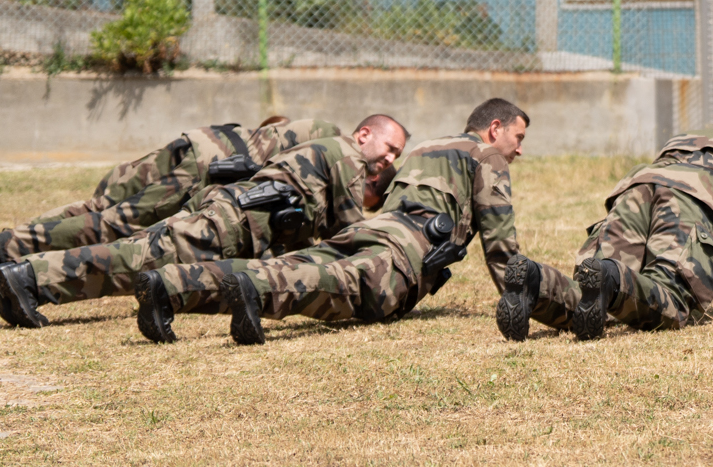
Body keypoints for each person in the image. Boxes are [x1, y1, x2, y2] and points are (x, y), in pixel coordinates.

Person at [133, 98, 529, 345]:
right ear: (495, 129)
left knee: (285, 265)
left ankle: (167, 285)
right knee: (335, 283)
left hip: (367, 230)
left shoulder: (427, 147)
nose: (520, 150)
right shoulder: (487, 157)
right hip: (398, 254)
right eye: (519, 137)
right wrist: (522, 299)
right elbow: (501, 249)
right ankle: (256, 286)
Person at [0, 116, 407, 329]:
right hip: (228, 223)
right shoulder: (346, 155)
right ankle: (25, 277)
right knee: (131, 256)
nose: (388, 160)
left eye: (396, 157)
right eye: (389, 148)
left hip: (226, 215)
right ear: (366, 134)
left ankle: (17, 272)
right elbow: (350, 235)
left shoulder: (323, 147)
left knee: (131, 250)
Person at [493, 127, 713, 341]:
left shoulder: (685, 138)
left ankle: (534, 282)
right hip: (692, 193)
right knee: (671, 299)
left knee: (595, 297)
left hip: (637, 184)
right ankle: (610, 279)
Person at [0, 116, 343, 284]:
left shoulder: (304, 126)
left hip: (194, 143)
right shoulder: (332, 143)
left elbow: (268, 131)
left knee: (97, 209)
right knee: (113, 224)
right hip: (202, 169)